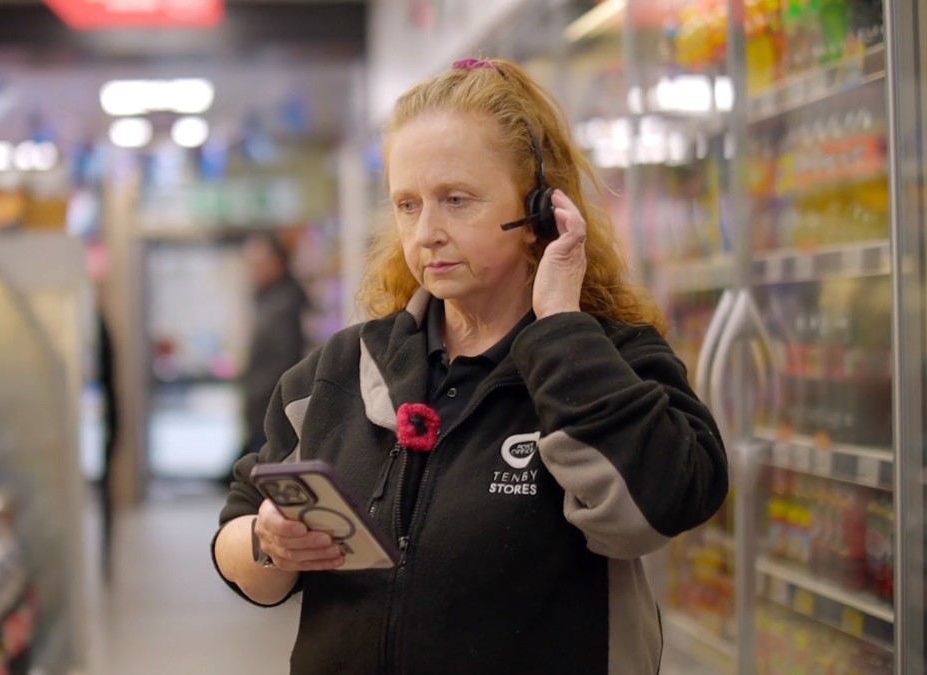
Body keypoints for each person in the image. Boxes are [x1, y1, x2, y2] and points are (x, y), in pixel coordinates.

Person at [211, 58, 729, 674]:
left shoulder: (613, 360)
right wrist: (270, 544)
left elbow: (665, 504)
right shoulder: (341, 370)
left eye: (456, 200)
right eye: (407, 204)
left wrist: (561, 326)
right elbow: (239, 533)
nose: (426, 232)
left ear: (539, 209)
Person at [230, 232, 310, 475]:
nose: (251, 270)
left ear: (277, 262)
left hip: (272, 416)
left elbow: (283, 366)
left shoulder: (285, 305)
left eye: (257, 263)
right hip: (263, 413)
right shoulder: (269, 300)